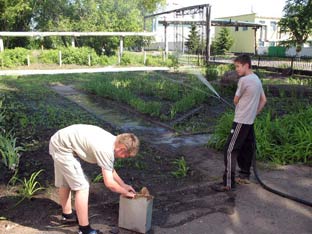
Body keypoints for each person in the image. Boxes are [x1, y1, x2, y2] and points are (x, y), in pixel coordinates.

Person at [49, 124, 140, 234]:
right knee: (83, 187)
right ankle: (84, 229)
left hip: (59, 140)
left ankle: (67, 215)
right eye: (126, 155)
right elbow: (109, 183)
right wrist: (125, 192)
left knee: (66, 182)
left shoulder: (113, 141)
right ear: (121, 149)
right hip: (62, 148)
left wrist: (123, 184)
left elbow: (109, 168)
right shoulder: (106, 149)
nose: (125, 158)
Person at [213, 54, 267, 192]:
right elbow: (263, 101)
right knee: (246, 148)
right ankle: (244, 175)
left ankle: (228, 183)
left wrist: (242, 105)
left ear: (246, 65)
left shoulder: (244, 81)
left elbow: (235, 100)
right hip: (249, 121)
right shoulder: (257, 79)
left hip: (241, 121)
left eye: (238, 66)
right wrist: (254, 113)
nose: (236, 69)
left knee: (230, 150)